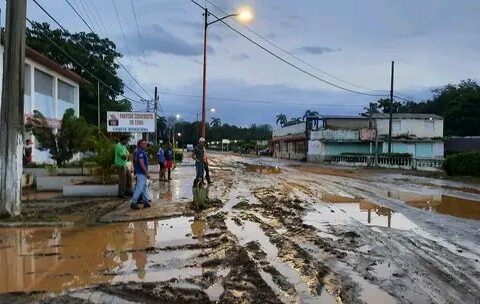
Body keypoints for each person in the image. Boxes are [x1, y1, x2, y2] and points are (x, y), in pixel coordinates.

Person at [130, 139, 151, 210]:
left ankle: (146, 202)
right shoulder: (140, 152)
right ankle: (133, 202)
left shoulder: (139, 151)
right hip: (141, 173)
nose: (145, 145)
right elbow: (141, 163)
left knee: (144, 187)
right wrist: (146, 172)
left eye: (145, 144)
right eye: (143, 144)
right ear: (140, 144)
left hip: (141, 173)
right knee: (139, 188)